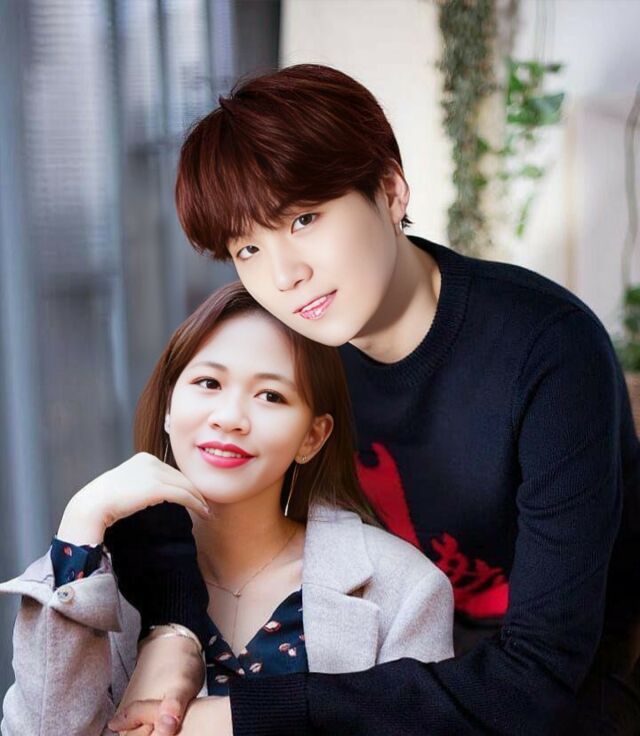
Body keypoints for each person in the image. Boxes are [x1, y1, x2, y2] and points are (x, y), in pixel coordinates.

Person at [107, 63, 640, 736]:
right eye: (247, 247)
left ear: (389, 191)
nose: (285, 276)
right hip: (380, 665)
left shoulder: (548, 348)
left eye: (304, 219)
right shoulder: (293, 349)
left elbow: (541, 676)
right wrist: (173, 631)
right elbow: (178, 492)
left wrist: (244, 718)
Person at [0, 282, 454, 736]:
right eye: (209, 383)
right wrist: (80, 519)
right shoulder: (94, 579)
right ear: (169, 407)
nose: (230, 417)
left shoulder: (402, 589)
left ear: (312, 437)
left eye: (271, 395)